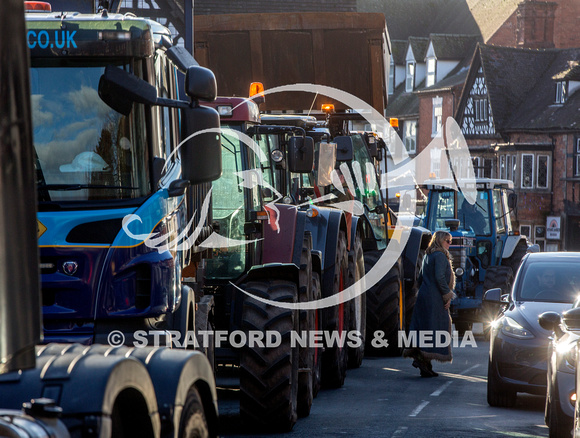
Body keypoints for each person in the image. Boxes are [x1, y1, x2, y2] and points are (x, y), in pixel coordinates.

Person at [403, 231, 456, 377]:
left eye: (450, 241)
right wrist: (446, 295)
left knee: (424, 328)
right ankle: (422, 359)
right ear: (439, 240)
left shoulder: (428, 255)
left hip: (425, 296)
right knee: (436, 328)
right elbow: (440, 277)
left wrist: (423, 292)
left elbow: (419, 278)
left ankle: (424, 364)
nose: (449, 244)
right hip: (435, 297)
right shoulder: (440, 256)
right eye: (447, 240)